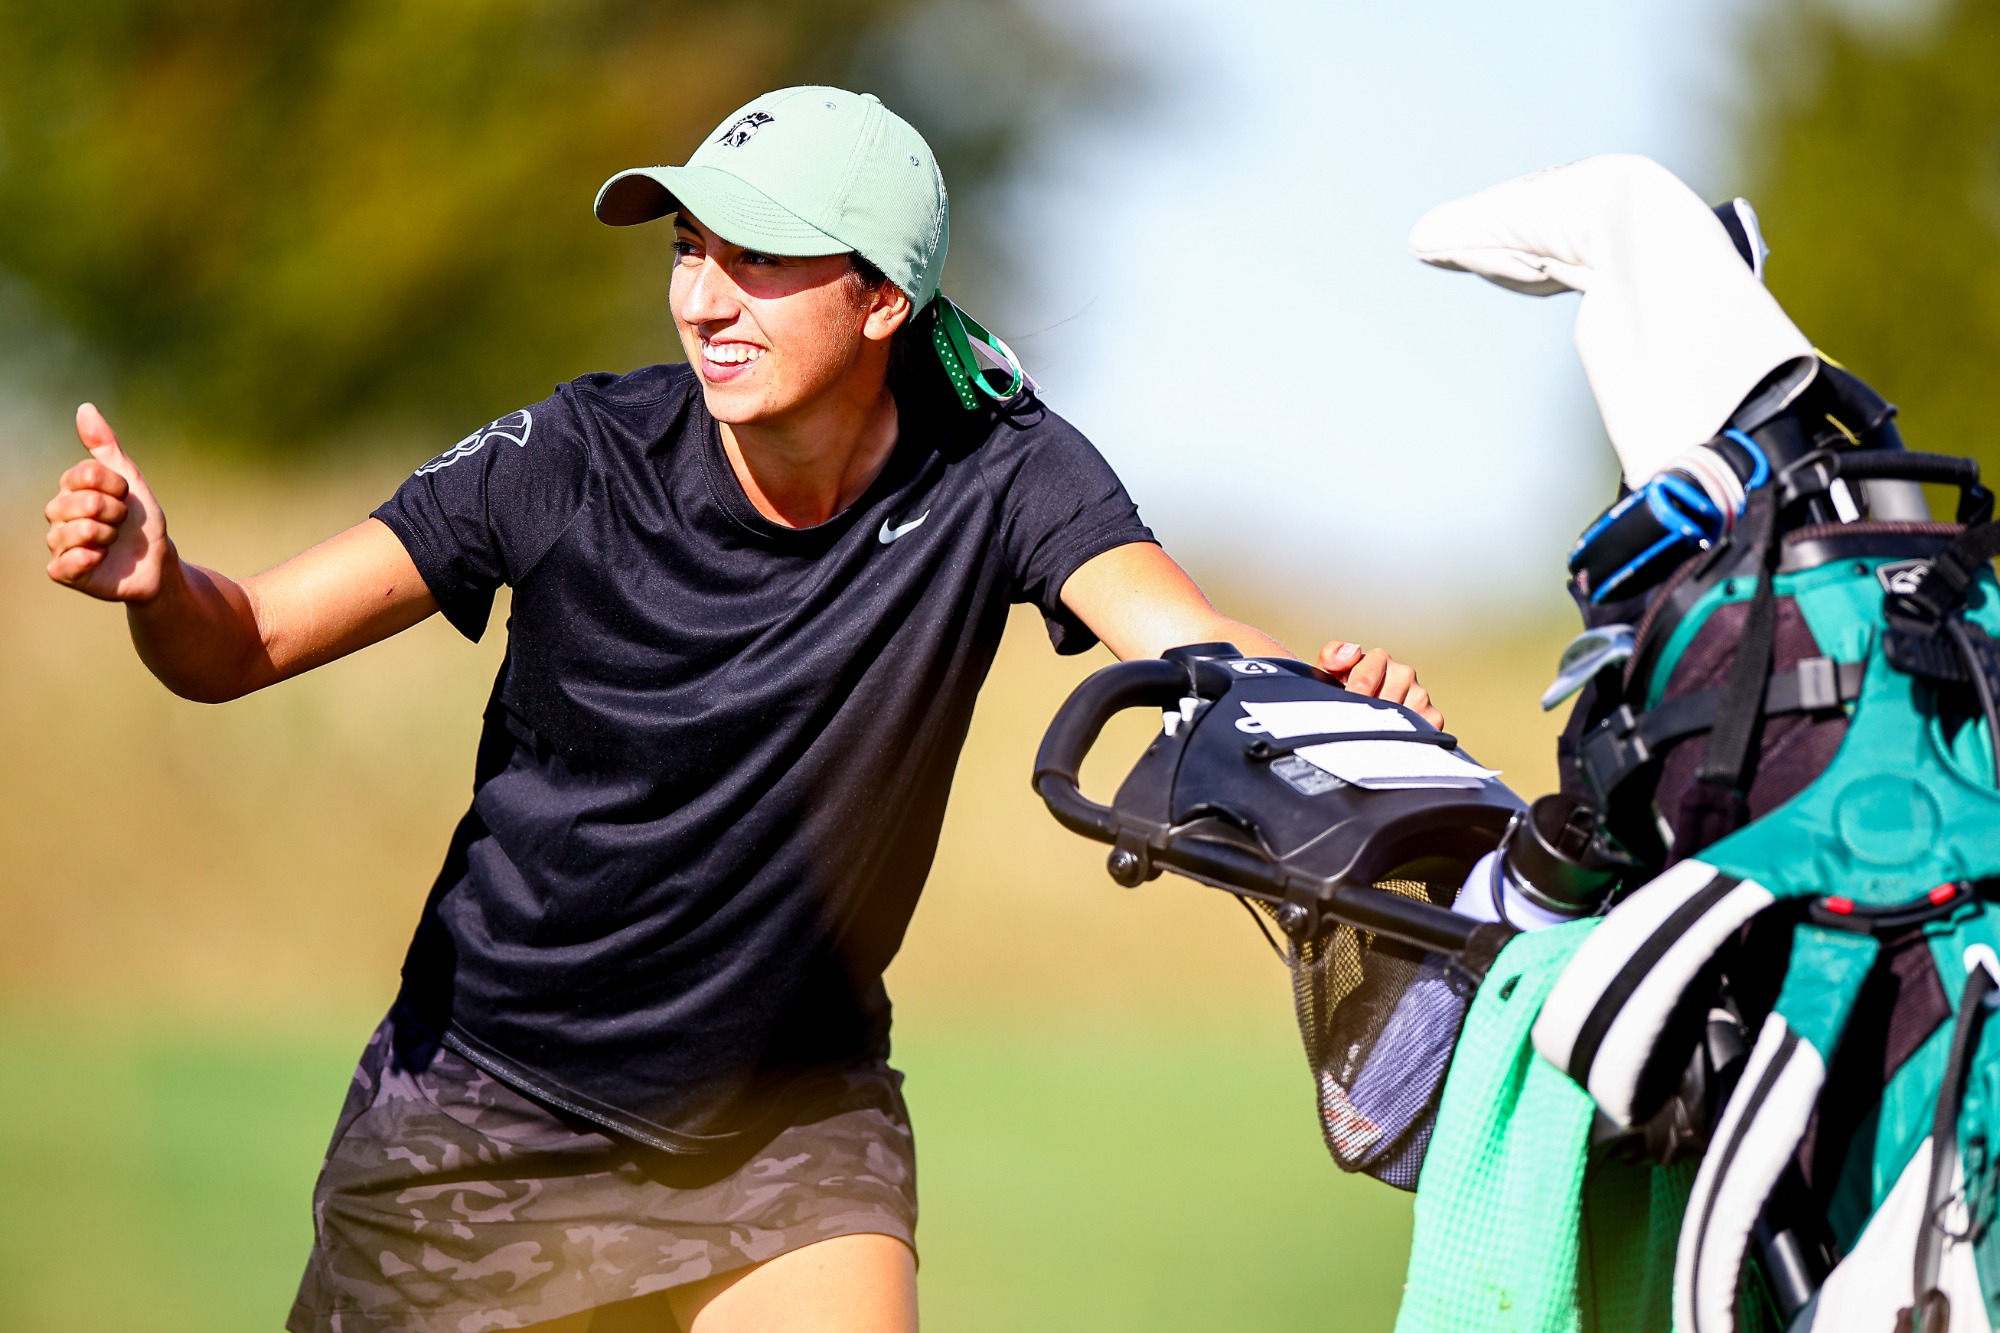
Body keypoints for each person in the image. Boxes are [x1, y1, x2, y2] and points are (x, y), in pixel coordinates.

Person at [42, 86, 1438, 1333]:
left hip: (786, 1120)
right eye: (688, 251)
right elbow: (247, 640)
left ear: (882, 299)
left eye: (758, 256)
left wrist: (1320, 700)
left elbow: (1181, 634)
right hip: (479, 1116)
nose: (705, 297)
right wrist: (161, 582)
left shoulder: (999, 466)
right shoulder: (571, 451)